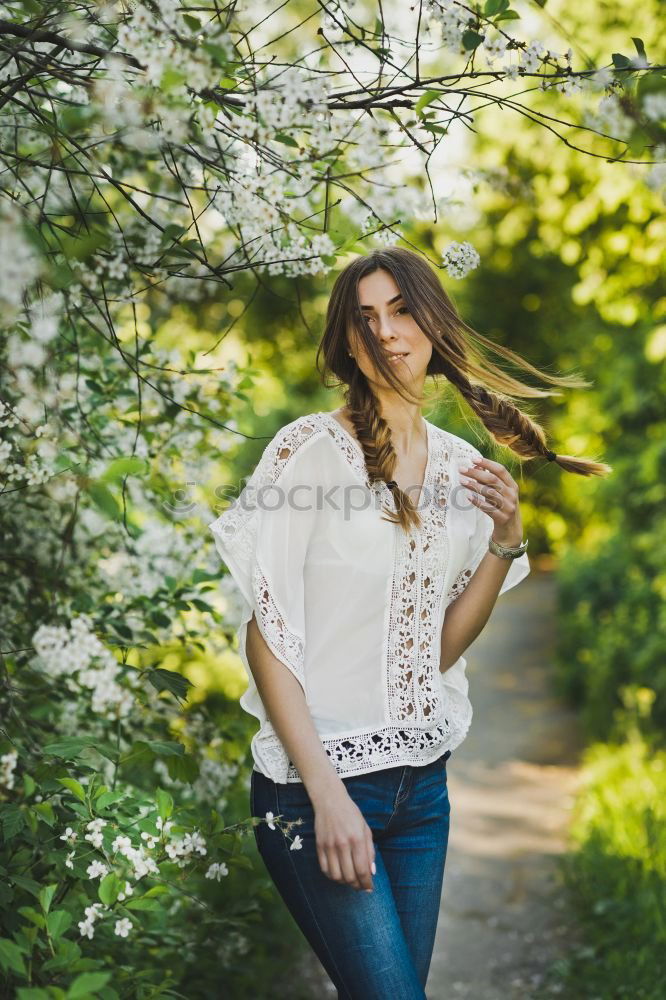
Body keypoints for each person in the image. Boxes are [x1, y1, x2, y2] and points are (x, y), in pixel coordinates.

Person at [208, 247, 611, 999]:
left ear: (433, 323)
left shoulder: (463, 467)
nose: (386, 332)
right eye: (365, 318)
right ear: (346, 342)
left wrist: (505, 541)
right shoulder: (310, 453)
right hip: (317, 786)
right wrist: (327, 796)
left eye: (401, 310)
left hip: (421, 790)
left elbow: (435, 649)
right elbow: (269, 639)